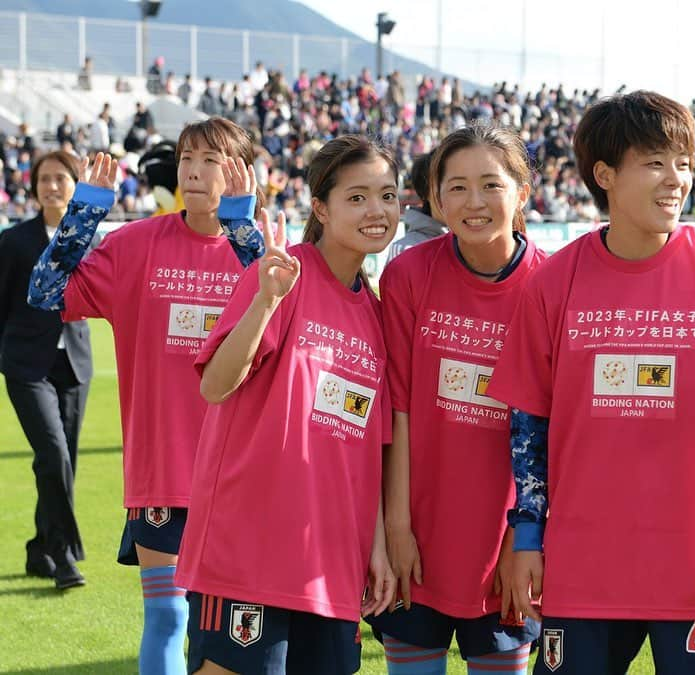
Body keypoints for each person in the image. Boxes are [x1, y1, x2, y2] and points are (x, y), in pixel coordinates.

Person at [488, 91, 695, 675]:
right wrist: (527, 536)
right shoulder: (554, 282)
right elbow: (528, 427)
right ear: (605, 175)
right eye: (655, 163)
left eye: (685, 163)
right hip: (586, 570)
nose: (676, 179)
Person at [28, 117, 266, 675]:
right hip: (163, 473)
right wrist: (85, 212)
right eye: (188, 158)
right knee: (167, 617)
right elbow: (45, 292)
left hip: (247, 476)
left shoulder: (263, 253)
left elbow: (294, 325)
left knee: (242, 634)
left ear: (242, 172)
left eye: (212, 159)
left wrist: (243, 227)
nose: (195, 170)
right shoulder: (136, 245)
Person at [175, 134, 399, 674]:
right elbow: (216, 387)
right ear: (320, 207)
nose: (377, 211)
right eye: (358, 197)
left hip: (329, 568)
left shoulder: (375, 311)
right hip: (246, 552)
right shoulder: (282, 275)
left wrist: (377, 549)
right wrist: (265, 302)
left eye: (388, 196)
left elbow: (366, 445)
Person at [367, 121, 544, 675]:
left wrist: (523, 537)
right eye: (457, 186)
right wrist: (396, 527)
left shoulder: (553, 284)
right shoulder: (408, 275)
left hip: (508, 547)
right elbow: (397, 410)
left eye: (491, 184)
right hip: (416, 538)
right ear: (437, 198)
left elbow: (552, 428)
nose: (474, 202)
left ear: (521, 192)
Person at [0, 150, 95, 589]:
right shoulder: (15, 241)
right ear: (34, 186)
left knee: (59, 461)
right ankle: (64, 555)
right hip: (26, 365)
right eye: (44, 179)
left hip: (73, 363)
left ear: (76, 186)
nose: (52, 186)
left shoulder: (89, 241)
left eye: (61, 179)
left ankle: (40, 549)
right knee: (54, 453)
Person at [386, 151, 446, 261]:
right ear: (425, 192)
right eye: (444, 185)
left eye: (460, 187)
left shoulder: (478, 243)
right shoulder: (405, 251)